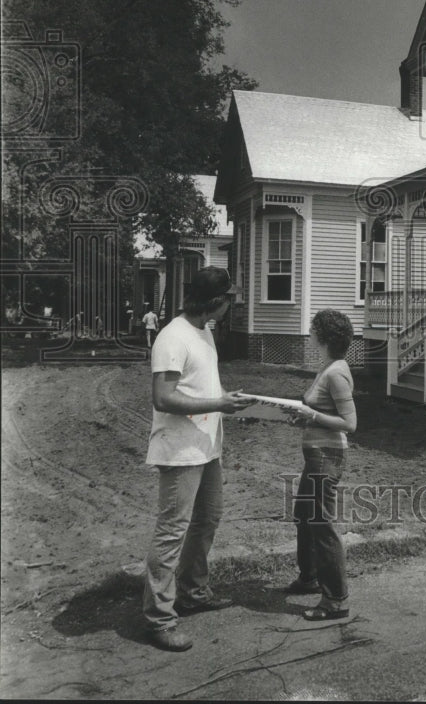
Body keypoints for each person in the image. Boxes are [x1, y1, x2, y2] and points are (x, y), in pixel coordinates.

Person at [141, 266, 251, 652]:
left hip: (207, 448)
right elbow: (163, 397)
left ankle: (193, 591)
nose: (230, 307)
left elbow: (201, 385)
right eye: (228, 300)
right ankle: (159, 618)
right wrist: (219, 402)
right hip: (180, 450)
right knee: (172, 530)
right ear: (215, 302)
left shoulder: (204, 331)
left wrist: (225, 397)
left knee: (207, 519)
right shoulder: (172, 338)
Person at [287, 309, 357, 621]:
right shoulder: (327, 368)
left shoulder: (336, 373)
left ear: (324, 336)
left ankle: (336, 599)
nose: (309, 332)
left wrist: (311, 416)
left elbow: (349, 423)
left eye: (313, 328)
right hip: (316, 456)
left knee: (321, 522)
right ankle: (309, 577)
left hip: (327, 458)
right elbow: (316, 409)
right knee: (304, 514)